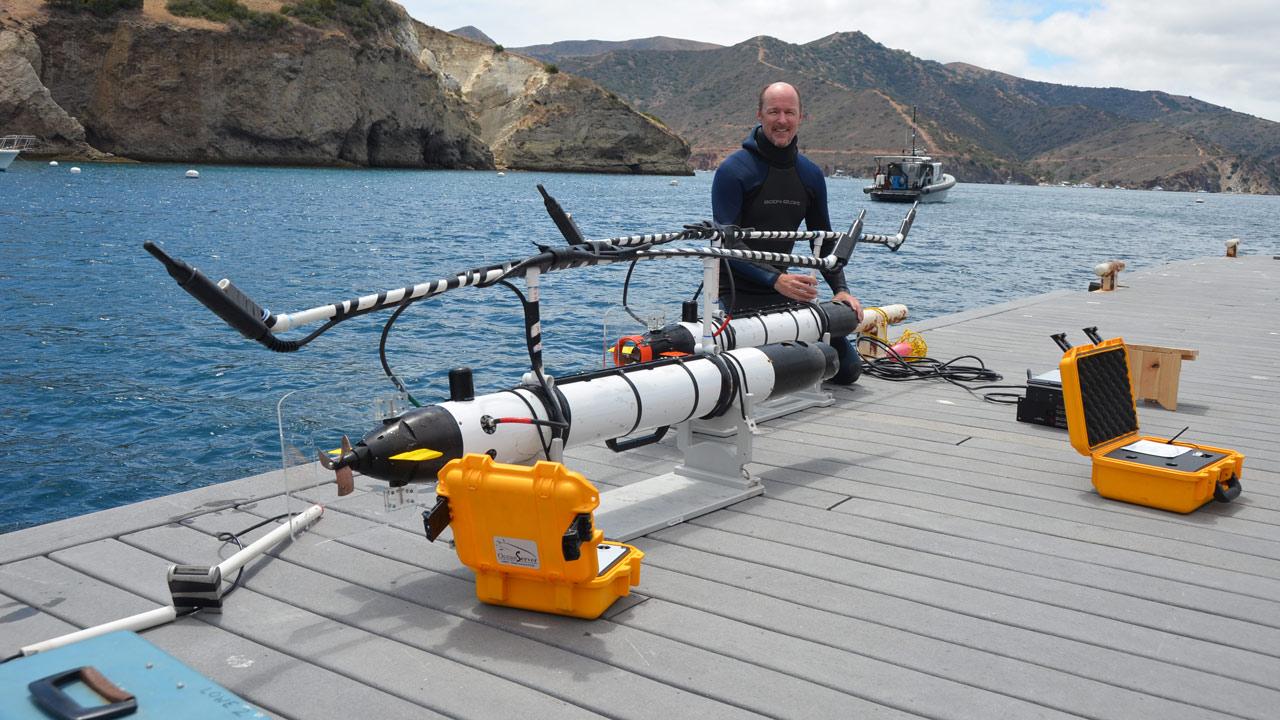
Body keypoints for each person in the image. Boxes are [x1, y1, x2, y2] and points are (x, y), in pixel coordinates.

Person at [711, 81, 863, 384]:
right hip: (737, 295)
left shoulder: (810, 174)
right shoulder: (733, 171)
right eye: (774, 112)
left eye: (789, 113)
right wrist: (775, 278)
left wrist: (841, 290)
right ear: (760, 115)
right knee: (764, 376)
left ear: (801, 117)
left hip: (784, 292)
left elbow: (824, 239)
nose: (782, 121)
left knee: (847, 370)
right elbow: (727, 242)